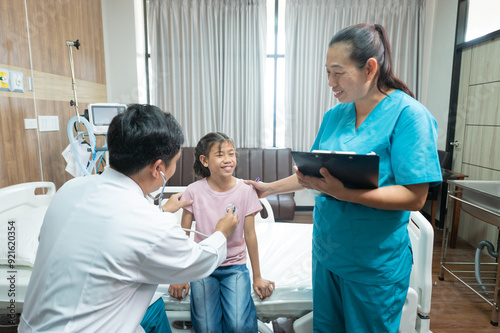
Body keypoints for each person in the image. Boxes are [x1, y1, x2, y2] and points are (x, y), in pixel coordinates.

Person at [245, 23, 442, 333]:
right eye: (327, 73)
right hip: (326, 254)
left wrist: (345, 193)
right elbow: (313, 175)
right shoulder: (334, 116)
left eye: (338, 72)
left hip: (373, 264)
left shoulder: (409, 116)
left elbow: (414, 196)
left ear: (370, 68)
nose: (330, 83)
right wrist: (267, 189)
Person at [19, 105, 239, 332]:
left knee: (153, 307)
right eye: (175, 162)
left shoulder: (70, 189)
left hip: (34, 326)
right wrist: (221, 232)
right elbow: (196, 262)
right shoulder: (150, 223)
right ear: (159, 169)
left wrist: (161, 211)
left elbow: (112, 229)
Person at [168, 132, 275, 332]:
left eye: (231, 153)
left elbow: (250, 235)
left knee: (238, 325)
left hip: (234, 266)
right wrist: (181, 274)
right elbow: (184, 236)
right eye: (219, 154)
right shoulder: (193, 191)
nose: (228, 159)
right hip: (202, 266)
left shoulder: (245, 190)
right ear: (204, 160)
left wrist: (258, 276)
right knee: (207, 327)